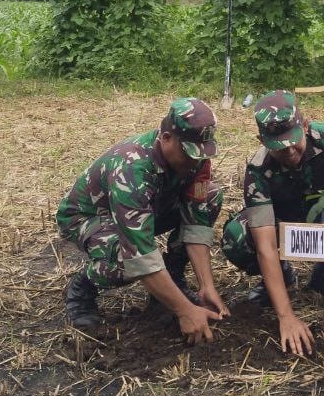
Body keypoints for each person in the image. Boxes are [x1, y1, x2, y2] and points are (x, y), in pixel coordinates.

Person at [221, 90, 324, 355]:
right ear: (261, 140)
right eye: (278, 145)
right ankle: (279, 276)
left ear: (305, 125)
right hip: (280, 221)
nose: (288, 150)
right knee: (236, 238)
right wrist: (287, 317)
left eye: (292, 140)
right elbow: (264, 245)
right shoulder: (258, 169)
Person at [57, 98, 228, 342]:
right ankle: (82, 290)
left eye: (202, 154)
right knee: (125, 260)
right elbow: (141, 256)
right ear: (166, 138)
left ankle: (172, 278)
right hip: (90, 217)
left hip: (148, 207)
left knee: (210, 197)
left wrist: (206, 285)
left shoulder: (197, 158)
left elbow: (197, 223)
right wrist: (185, 311)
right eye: (189, 153)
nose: (196, 161)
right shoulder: (132, 170)